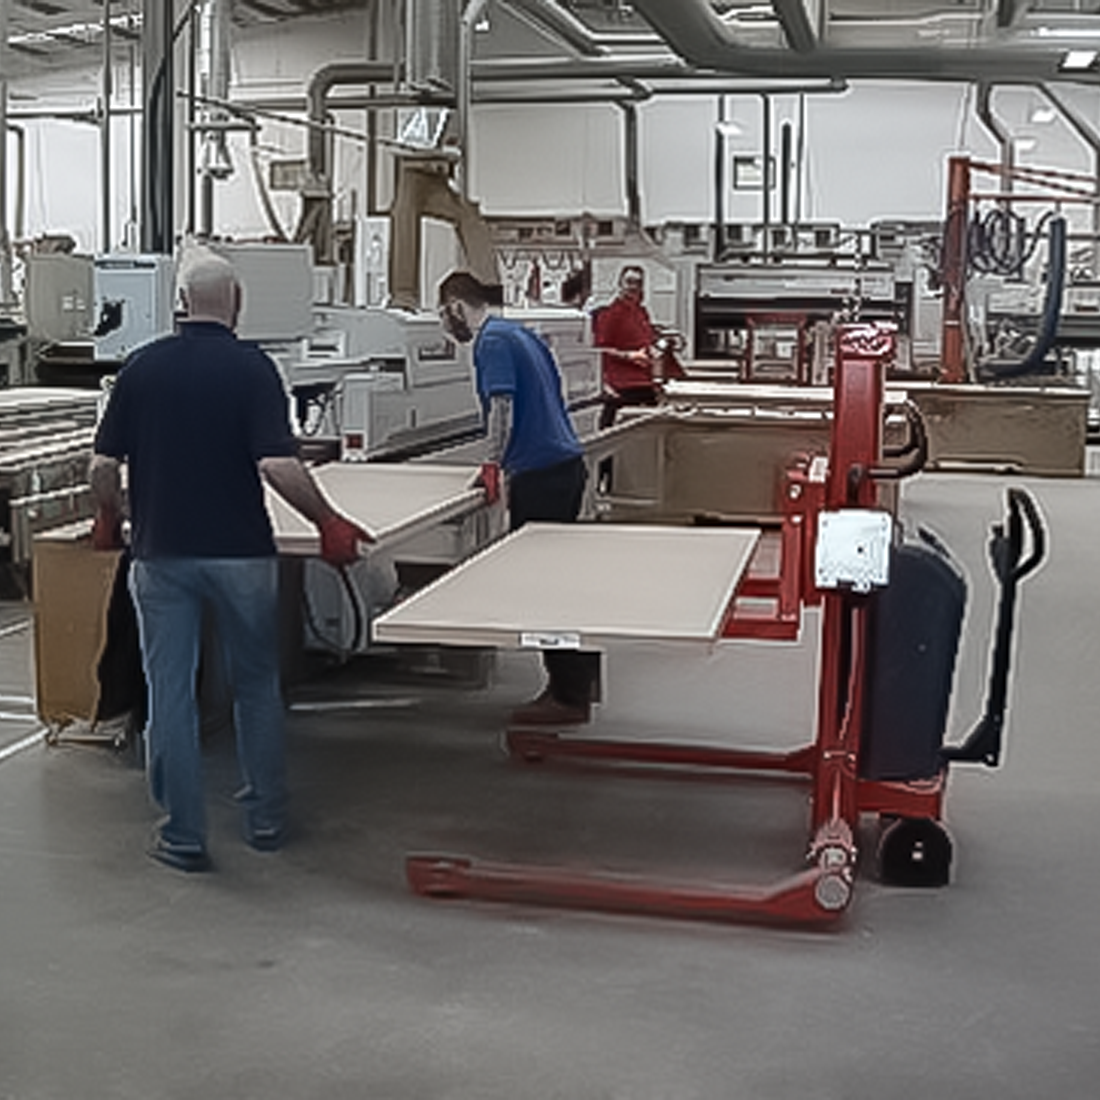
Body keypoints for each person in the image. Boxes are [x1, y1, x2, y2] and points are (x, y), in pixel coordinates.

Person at [89, 249, 370, 873]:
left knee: (170, 694)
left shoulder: (141, 367)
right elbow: (277, 464)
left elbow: (102, 465)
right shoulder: (253, 369)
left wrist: (108, 516)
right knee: (256, 686)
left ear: (181, 305)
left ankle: (183, 837)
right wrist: (327, 521)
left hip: (161, 557)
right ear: (236, 304)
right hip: (242, 556)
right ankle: (266, 819)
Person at [438, 270, 599, 727]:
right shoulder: (521, 333)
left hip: (540, 475)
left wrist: (492, 464)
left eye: (444, 316)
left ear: (455, 306)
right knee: (560, 583)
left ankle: (567, 696)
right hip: (564, 467)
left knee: (542, 589)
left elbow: (501, 408)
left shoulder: (490, 341)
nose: (446, 327)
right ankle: (576, 684)